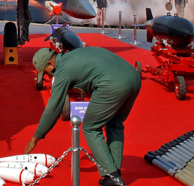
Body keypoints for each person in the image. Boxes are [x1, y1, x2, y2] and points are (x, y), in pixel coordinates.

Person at [27, 29, 141, 186]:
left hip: (112, 84)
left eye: (46, 73)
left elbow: (54, 107)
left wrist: (36, 137)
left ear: (50, 63)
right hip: (133, 77)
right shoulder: (73, 55)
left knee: (90, 127)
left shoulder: (62, 70)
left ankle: (112, 177)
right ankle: (113, 174)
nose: (47, 77)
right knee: (114, 123)